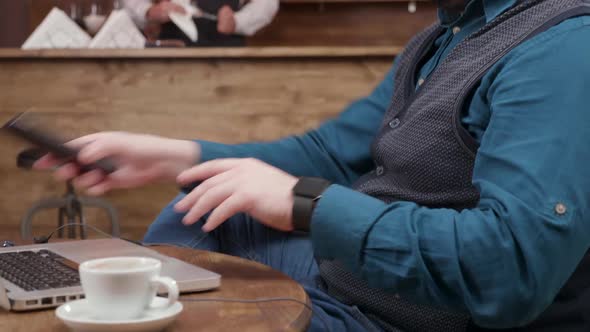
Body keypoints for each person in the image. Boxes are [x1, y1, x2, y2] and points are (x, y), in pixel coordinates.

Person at [35, 0, 590, 330]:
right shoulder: (442, 37)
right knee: (203, 203)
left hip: (401, 316)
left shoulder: (562, 47)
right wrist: (174, 154)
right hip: (348, 275)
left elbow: (513, 268)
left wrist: (308, 205)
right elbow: (328, 153)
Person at [123, 0, 279, 46]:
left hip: (226, 52)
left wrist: (239, 21)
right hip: (170, 51)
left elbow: (268, 3)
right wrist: (148, 11)